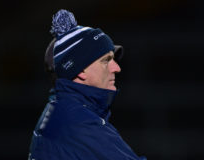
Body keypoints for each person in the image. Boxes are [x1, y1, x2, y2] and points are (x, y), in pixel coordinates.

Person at [28, 9, 145, 160]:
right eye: (106, 60)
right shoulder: (79, 123)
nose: (117, 68)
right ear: (80, 69)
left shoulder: (63, 111)